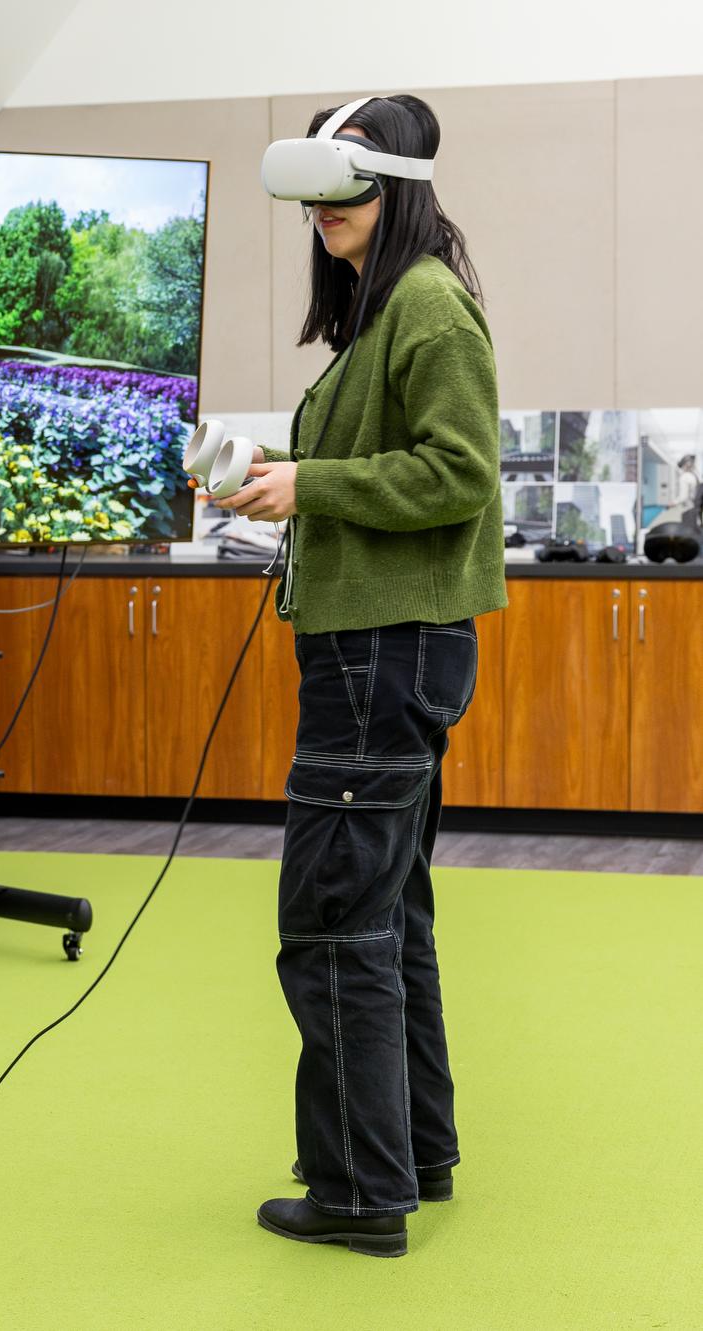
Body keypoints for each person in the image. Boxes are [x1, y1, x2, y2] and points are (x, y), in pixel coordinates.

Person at [202, 94, 506, 1257]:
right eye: (318, 198)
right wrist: (279, 469)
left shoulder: (426, 308)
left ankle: (356, 1189)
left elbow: (455, 474)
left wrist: (312, 488)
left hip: (382, 652)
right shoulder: (382, 314)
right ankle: (410, 1155)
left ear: (400, 188)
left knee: (330, 921)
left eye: (350, 193)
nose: (329, 216)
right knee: (385, 914)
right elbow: (381, 458)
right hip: (379, 645)